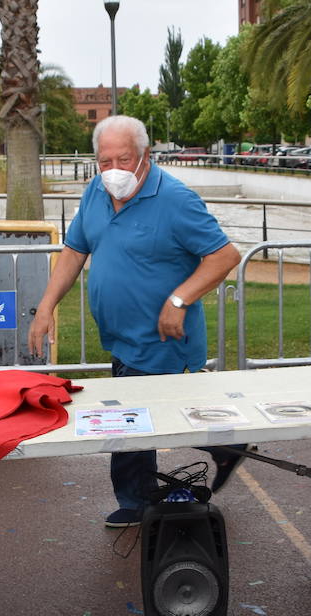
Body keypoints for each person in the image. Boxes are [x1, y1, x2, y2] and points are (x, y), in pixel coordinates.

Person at [27, 115, 243, 527]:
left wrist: (180, 299)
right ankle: (224, 446)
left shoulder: (176, 199)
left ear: (145, 156)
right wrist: (46, 307)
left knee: (130, 418)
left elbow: (224, 256)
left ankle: (135, 502)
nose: (113, 171)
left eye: (122, 159)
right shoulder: (95, 191)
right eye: (104, 161)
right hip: (122, 337)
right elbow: (74, 251)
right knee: (164, 412)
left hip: (163, 338)